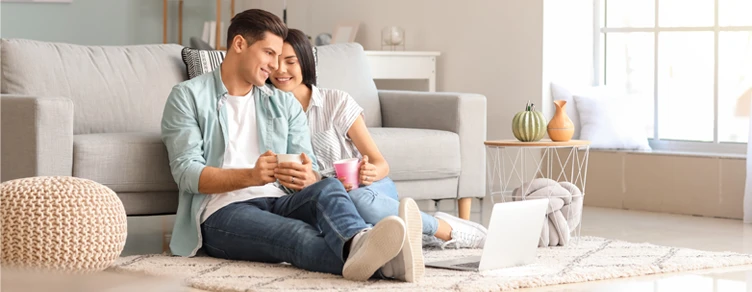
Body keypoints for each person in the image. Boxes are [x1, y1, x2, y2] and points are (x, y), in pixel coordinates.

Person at [160, 9, 423, 282]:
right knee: (297, 235)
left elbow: (309, 163)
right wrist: (250, 176)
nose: (275, 65)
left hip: (279, 199)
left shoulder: (283, 103)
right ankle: (387, 263)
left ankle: (359, 240)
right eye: (269, 53)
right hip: (221, 213)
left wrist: (309, 176)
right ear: (239, 44)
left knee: (328, 186)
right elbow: (186, 173)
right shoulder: (187, 97)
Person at [267, 28, 488, 249]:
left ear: (305, 63)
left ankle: (444, 229)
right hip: (325, 200)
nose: (281, 70)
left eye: (290, 62)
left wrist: (370, 172)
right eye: (274, 62)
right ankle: (406, 234)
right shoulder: (266, 111)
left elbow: (380, 163)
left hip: (368, 191)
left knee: (358, 201)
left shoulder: (336, 102)